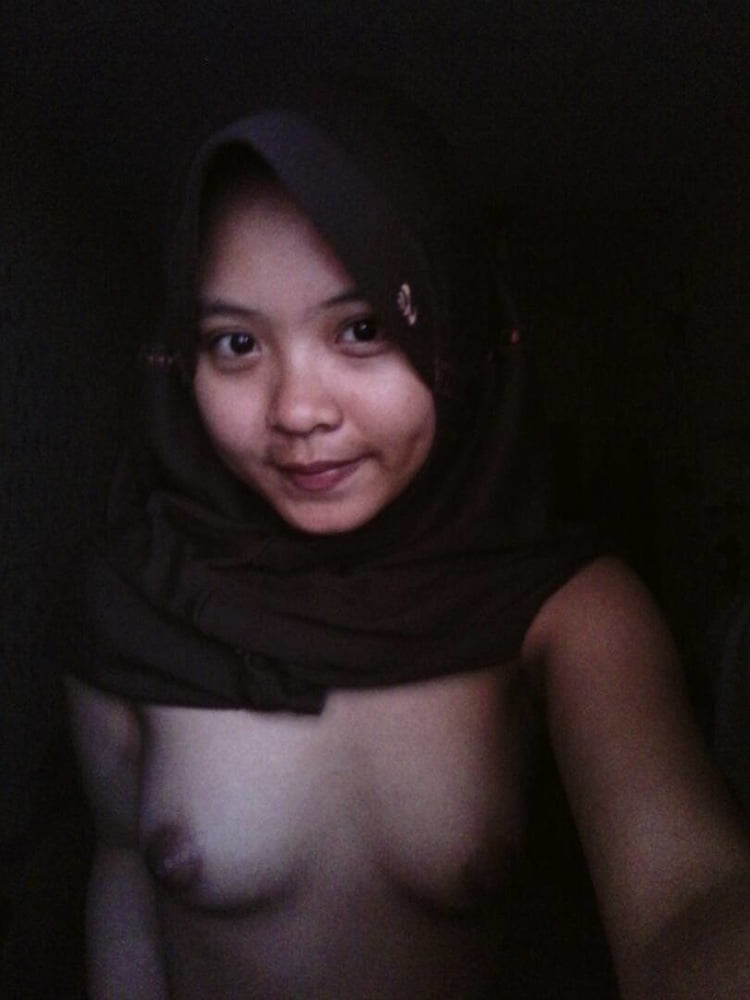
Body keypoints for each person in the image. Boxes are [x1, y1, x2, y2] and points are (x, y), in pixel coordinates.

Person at [65, 82, 750, 999]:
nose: (297, 410)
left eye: (363, 329)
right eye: (234, 344)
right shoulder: (134, 604)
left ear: (457, 336)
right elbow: (120, 869)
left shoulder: (569, 611)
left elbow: (687, 900)